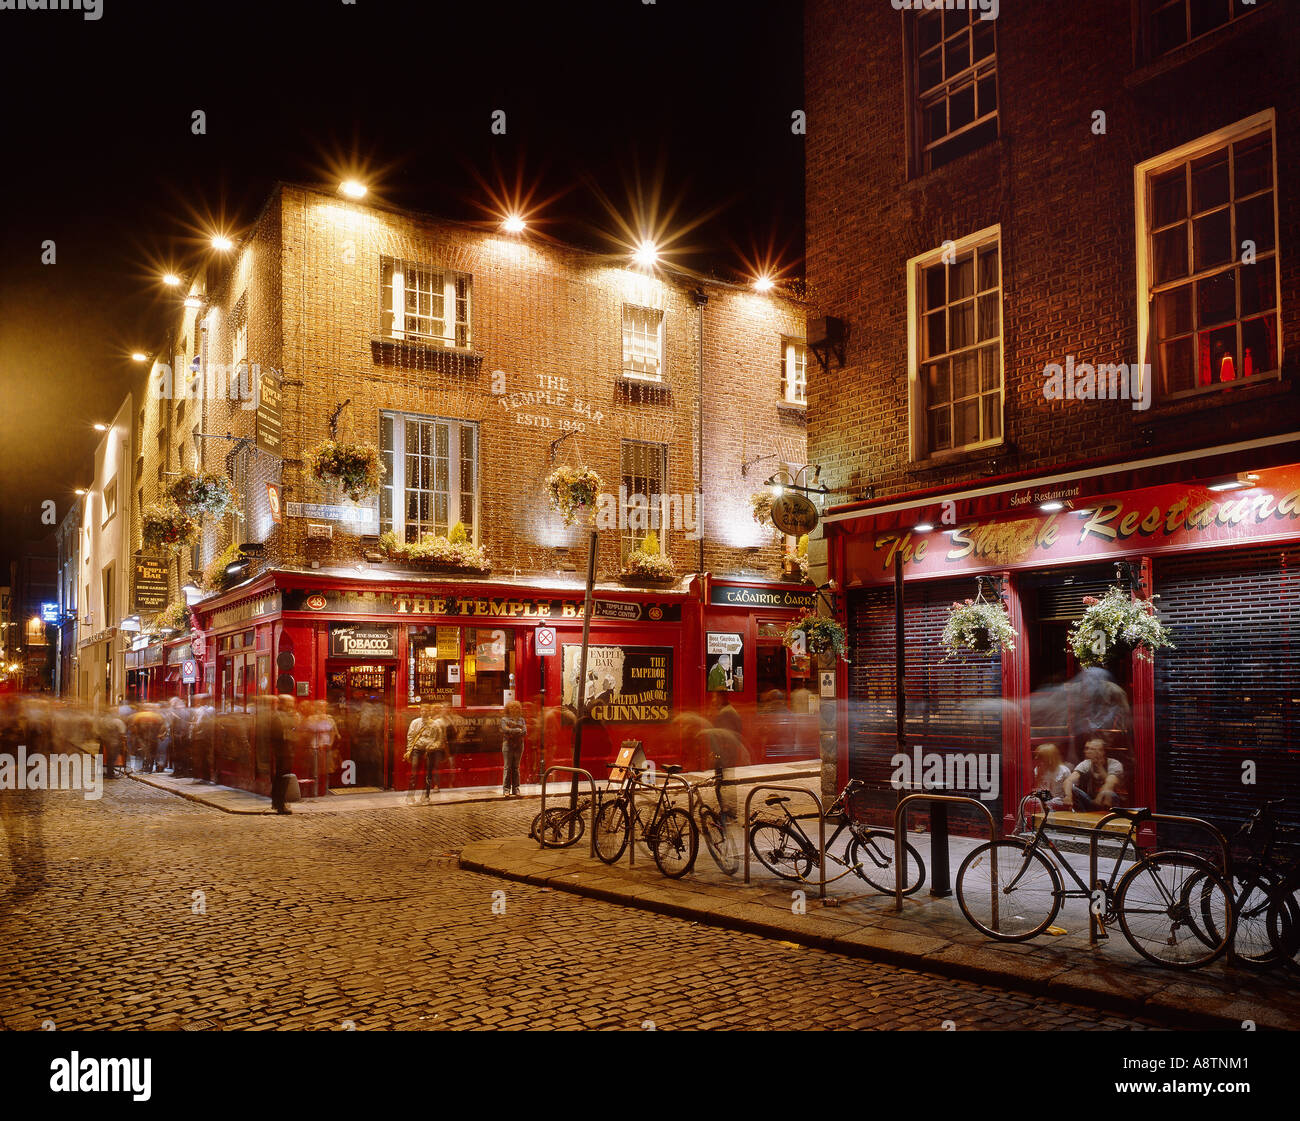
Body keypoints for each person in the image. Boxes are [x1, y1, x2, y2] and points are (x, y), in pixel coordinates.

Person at [1064, 736, 1124, 811]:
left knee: (1109, 793)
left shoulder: (1114, 764)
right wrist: (1068, 796)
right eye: (1086, 748)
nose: (1086, 751)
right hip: (1092, 800)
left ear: (1101, 751)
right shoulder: (1086, 763)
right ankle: (1083, 816)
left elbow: (1110, 783)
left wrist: (1099, 766)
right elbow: (1069, 780)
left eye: (1091, 749)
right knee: (1073, 789)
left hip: (1110, 799)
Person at [1031, 743, 1071, 810]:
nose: (1036, 758)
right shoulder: (1037, 769)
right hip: (1042, 800)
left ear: (1049, 757)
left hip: (1059, 801)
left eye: (1040, 756)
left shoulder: (1063, 770)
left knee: (1046, 804)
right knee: (1026, 801)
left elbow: (1070, 791)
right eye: (1036, 755)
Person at [499, 700, 526, 797]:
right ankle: (506, 790)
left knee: (516, 768)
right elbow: (505, 730)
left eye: (516, 708)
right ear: (508, 709)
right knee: (507, 767)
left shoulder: (521, 720)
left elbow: (524, 732)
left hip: (519, 746)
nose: (514, 709)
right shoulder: (504, 719)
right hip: (508, 745)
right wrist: (517, 730)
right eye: (512, 707)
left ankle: (516, 789)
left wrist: (512, 731)